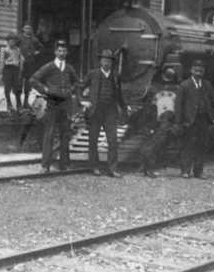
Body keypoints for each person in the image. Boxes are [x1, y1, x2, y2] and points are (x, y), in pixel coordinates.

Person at [30, 39, 79, 173]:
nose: (62, 53)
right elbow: (33, 79)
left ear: (67, 52)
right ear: (55, 52)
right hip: (52, 104)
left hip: (66, 105)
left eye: (64, 51)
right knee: (49, 134)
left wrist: (71, 89)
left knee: (65, 134)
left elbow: (76, 82)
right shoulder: (49, 66)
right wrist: (45, 90)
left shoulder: (69, 68)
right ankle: (45, 165)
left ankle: (64, 164)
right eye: (59, 50)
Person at [78, 49, 127, 178]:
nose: (106, 62)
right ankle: (94, 167)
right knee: (93, 140)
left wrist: (124, 108)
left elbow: (119, 94)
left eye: (109, 60)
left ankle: (112, 169)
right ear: (100, 61)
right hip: (95, 111)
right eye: (104, 59)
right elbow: (80, 87)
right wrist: (83, 101)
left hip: (110, 111)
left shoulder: (116, 76)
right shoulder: (93, 74)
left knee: (112, 140)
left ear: (112, 62)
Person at [174, 59, 214, 179]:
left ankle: (198, 172)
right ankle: (185, 171)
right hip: (189, 120)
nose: (198, 72)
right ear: (191, 71)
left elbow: (213, 102)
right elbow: (178, 106)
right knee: (187, 145)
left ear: (203, 72)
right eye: (196, 69)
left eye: (201, 70)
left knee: (201, 145)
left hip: (203, 119)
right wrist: (178, 122)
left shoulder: (207, 85)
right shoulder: (184, 85)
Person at [138, 67, 182, 177]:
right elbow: (148, 106)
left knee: (159, 144)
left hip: (169, 120)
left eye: (172, 73)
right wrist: (147, 122)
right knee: (154, 143)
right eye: (168, 73)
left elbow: (179, 106)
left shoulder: (178, 88)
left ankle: (148, 166)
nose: (170, 75)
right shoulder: (154, 87)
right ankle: (147, 167)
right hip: (156, 120)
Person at [18, 23, 42, 109]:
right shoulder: (19, 38)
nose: (28, 30)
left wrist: (35, 53)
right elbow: (14, 47)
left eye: (30, 28)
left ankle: (26, 102)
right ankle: (18, 103)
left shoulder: (34, 39)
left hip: (30, 63)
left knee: (28, 83)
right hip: (20, 63)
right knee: (19, 82)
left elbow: (41, 48)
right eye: (26, 28)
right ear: (23, 29)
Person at [0, 33, 24, 112]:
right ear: (7, 41)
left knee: (17, 88)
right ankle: (9, 104)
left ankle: (19, 105)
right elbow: (2, 61)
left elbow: (20, 61)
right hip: (7, 69)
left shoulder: (18, 50)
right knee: (7, 88)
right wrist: (1, 73)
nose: (12, 43)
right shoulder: (5, 50)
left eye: (13, 41)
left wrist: (20, 71)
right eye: (10, 41)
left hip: (15, 70)